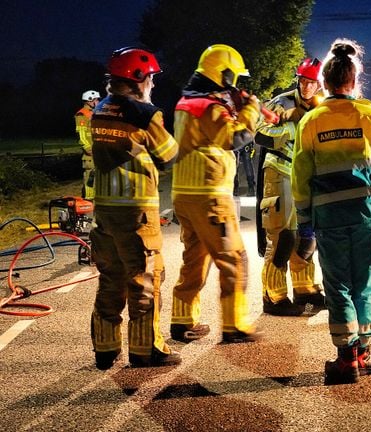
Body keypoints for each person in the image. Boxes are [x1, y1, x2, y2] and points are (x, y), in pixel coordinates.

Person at [292, 39, 371, 384]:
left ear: (325, 83)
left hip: (329, 218)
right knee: (365, 283)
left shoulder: (311, 122)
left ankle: (346, 359)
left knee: (338, 286)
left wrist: (304, 224)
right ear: (354, 81)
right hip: (368, 216)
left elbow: (301, 176)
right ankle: (364, 353)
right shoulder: (370, 117)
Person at [169, 44, 267, 345]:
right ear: (223, 75)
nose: (235, 84)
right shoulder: (210, 106)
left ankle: (182, 320)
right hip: (209, 194)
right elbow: (235, 137)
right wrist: (251, 109)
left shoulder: (186, 102)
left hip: (184, 193)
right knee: (233, 258)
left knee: (194, 260)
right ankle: (234, 325)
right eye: (233, 78)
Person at [89, 47, 180, 369]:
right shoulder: (143, 114)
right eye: (151, 78)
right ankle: (146, 350)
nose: (153, 84)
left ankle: (105, 347)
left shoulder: (100, 110)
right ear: (138, 79)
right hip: (136, 209)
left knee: (110, 276)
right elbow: (169, 154)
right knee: (144, 278)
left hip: (105, 210)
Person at [256, 58, 325, 316]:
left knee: (306, 234)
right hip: (280, 170)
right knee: (281, 235)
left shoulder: (322, 105)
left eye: (312, 83)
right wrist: (288, 125)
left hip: (308, 175)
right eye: (303, 81)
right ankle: (273, 296)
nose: (307, 87)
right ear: (297, 80)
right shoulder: (281, 103)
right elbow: (259, 134)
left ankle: (305, 288)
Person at [75, 90, 100, 200]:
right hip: (90, 153)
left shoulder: (94, 113)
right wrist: (87, 148)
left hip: (98, 150)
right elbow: (81, 133)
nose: (98, 102)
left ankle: (96, 197)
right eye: (96, 100)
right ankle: (89, 199)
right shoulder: (82, 114)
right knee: (90, 176)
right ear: (90, 100)